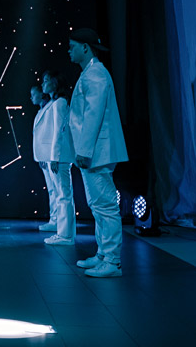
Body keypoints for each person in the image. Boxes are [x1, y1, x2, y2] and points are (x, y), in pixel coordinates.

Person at [68, 28, 128, 278]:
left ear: (85, 47)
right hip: (94, 151)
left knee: (105, 205)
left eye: (72, 46)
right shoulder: (91, 73)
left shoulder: (95, 74)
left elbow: (93, 114)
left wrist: (84, 150)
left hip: (97, 151)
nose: (69, 51)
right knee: (98, 205)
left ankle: (112, 261)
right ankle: (104, 254)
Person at [34, 71, 76, 245]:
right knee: (60, 194)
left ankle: (65, 235)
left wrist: (54, 157)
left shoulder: (60, 103)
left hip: (59, 157)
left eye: (46, 81)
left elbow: (59, 131)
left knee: (63, 195)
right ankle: (62, 231)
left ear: (55, 82)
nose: (42, 84)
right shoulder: (54, 103)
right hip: (56, 156)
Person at [30, 85, 56, 232]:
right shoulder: (41, 111)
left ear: (41, 94)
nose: (31, 98)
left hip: (51, 155)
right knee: (52, 190)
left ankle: (58, 222)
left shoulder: (52, 107)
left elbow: (53, 133)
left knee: (56, 190)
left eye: (33, 94)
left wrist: (51, 156)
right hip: (44, 156)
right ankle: (54, 220)